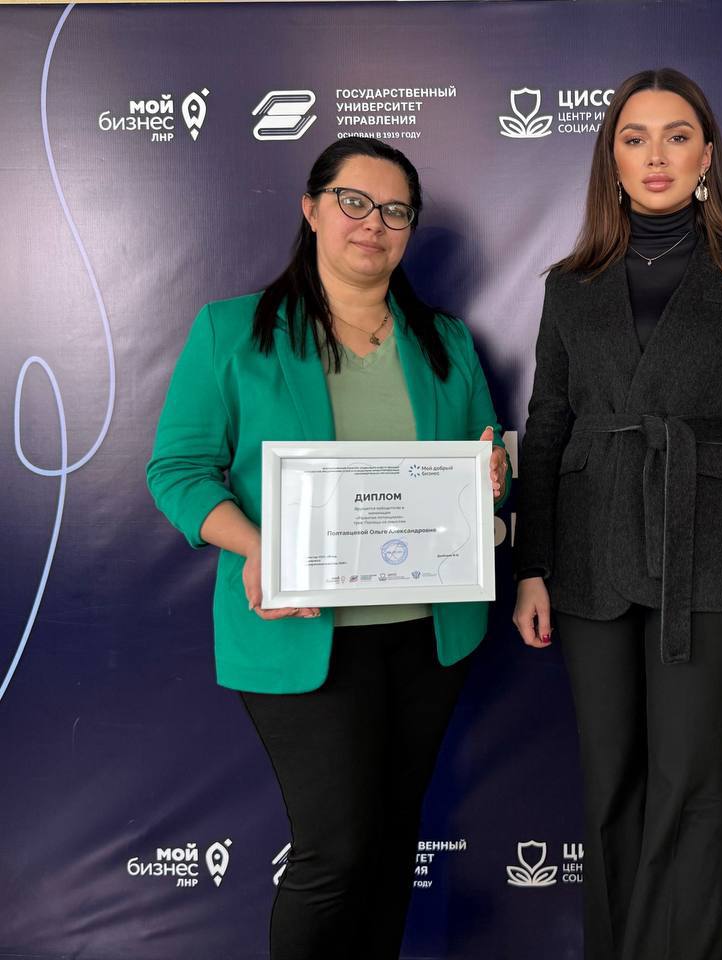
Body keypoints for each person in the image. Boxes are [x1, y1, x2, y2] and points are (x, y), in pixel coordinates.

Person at [146, 136, 509, 960]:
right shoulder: (232, 331)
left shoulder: (446, 340)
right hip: (301, 632)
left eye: (395, 211)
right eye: (354, 202)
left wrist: (491, 475)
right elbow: (178, 469)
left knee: (391, 842)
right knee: (335, 852)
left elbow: (485, 465)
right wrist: (256, 546)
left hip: (428, 635)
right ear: (311, 209)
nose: (373, 223)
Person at [512, 68, 722, 960]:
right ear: (612, 156)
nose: (656, 155)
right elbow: (547, 422)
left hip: (709, 549)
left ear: (708, 154)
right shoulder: (570, 283)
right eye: (634, 137)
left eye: (677, 136)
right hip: (588, 547)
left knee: (687, 780)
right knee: (611, 779)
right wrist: (532, 563)